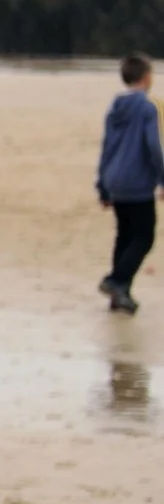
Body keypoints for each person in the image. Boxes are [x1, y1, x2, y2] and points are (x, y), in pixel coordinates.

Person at [97, 53, 163, 314]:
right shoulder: (147, 108)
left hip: (115, 178)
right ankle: (116, 281)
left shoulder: (115, 107)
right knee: (144, 236)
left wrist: (102, 185)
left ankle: (119, 295)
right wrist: (163, 178)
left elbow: (107, 147)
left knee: (124, 236)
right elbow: (153, 147)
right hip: (137, 183)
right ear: (147, 77)